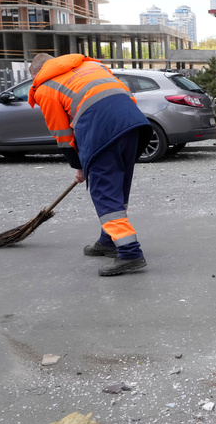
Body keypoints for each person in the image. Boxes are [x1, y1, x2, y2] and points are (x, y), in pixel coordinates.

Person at [28, 53, 152, 276]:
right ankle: (108, 240)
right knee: (117, 185)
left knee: (103, 191)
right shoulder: (90, 66)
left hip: (101, 129)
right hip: (133, 123)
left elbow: (63, 134)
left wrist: (78, 165)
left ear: (37, 73)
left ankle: (130, 252)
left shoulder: (46, 86)